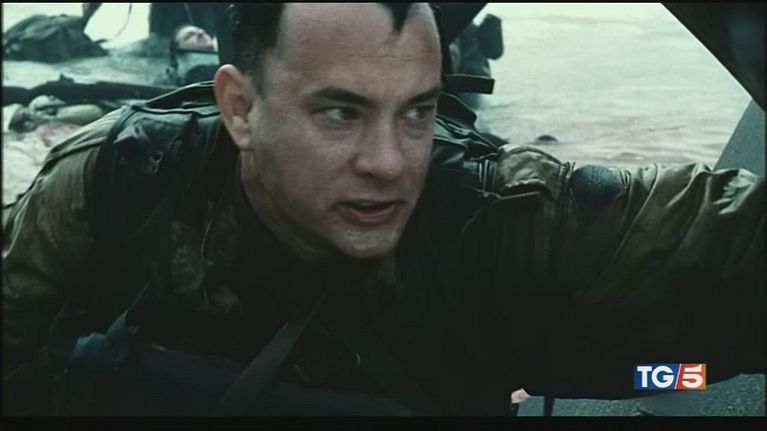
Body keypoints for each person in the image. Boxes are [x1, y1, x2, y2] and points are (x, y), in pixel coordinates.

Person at [2, 3, 764, 416]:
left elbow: (724, 244)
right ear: (239, 108)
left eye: (418, 112)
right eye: (340, 112)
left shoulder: (497, 215)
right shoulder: (117, 181)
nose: (390, 163)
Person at [449, 13, 504, 110]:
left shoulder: (455, 28)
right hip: (474, 81)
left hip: (463, 83)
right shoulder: (471, 28)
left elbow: (452, 59)